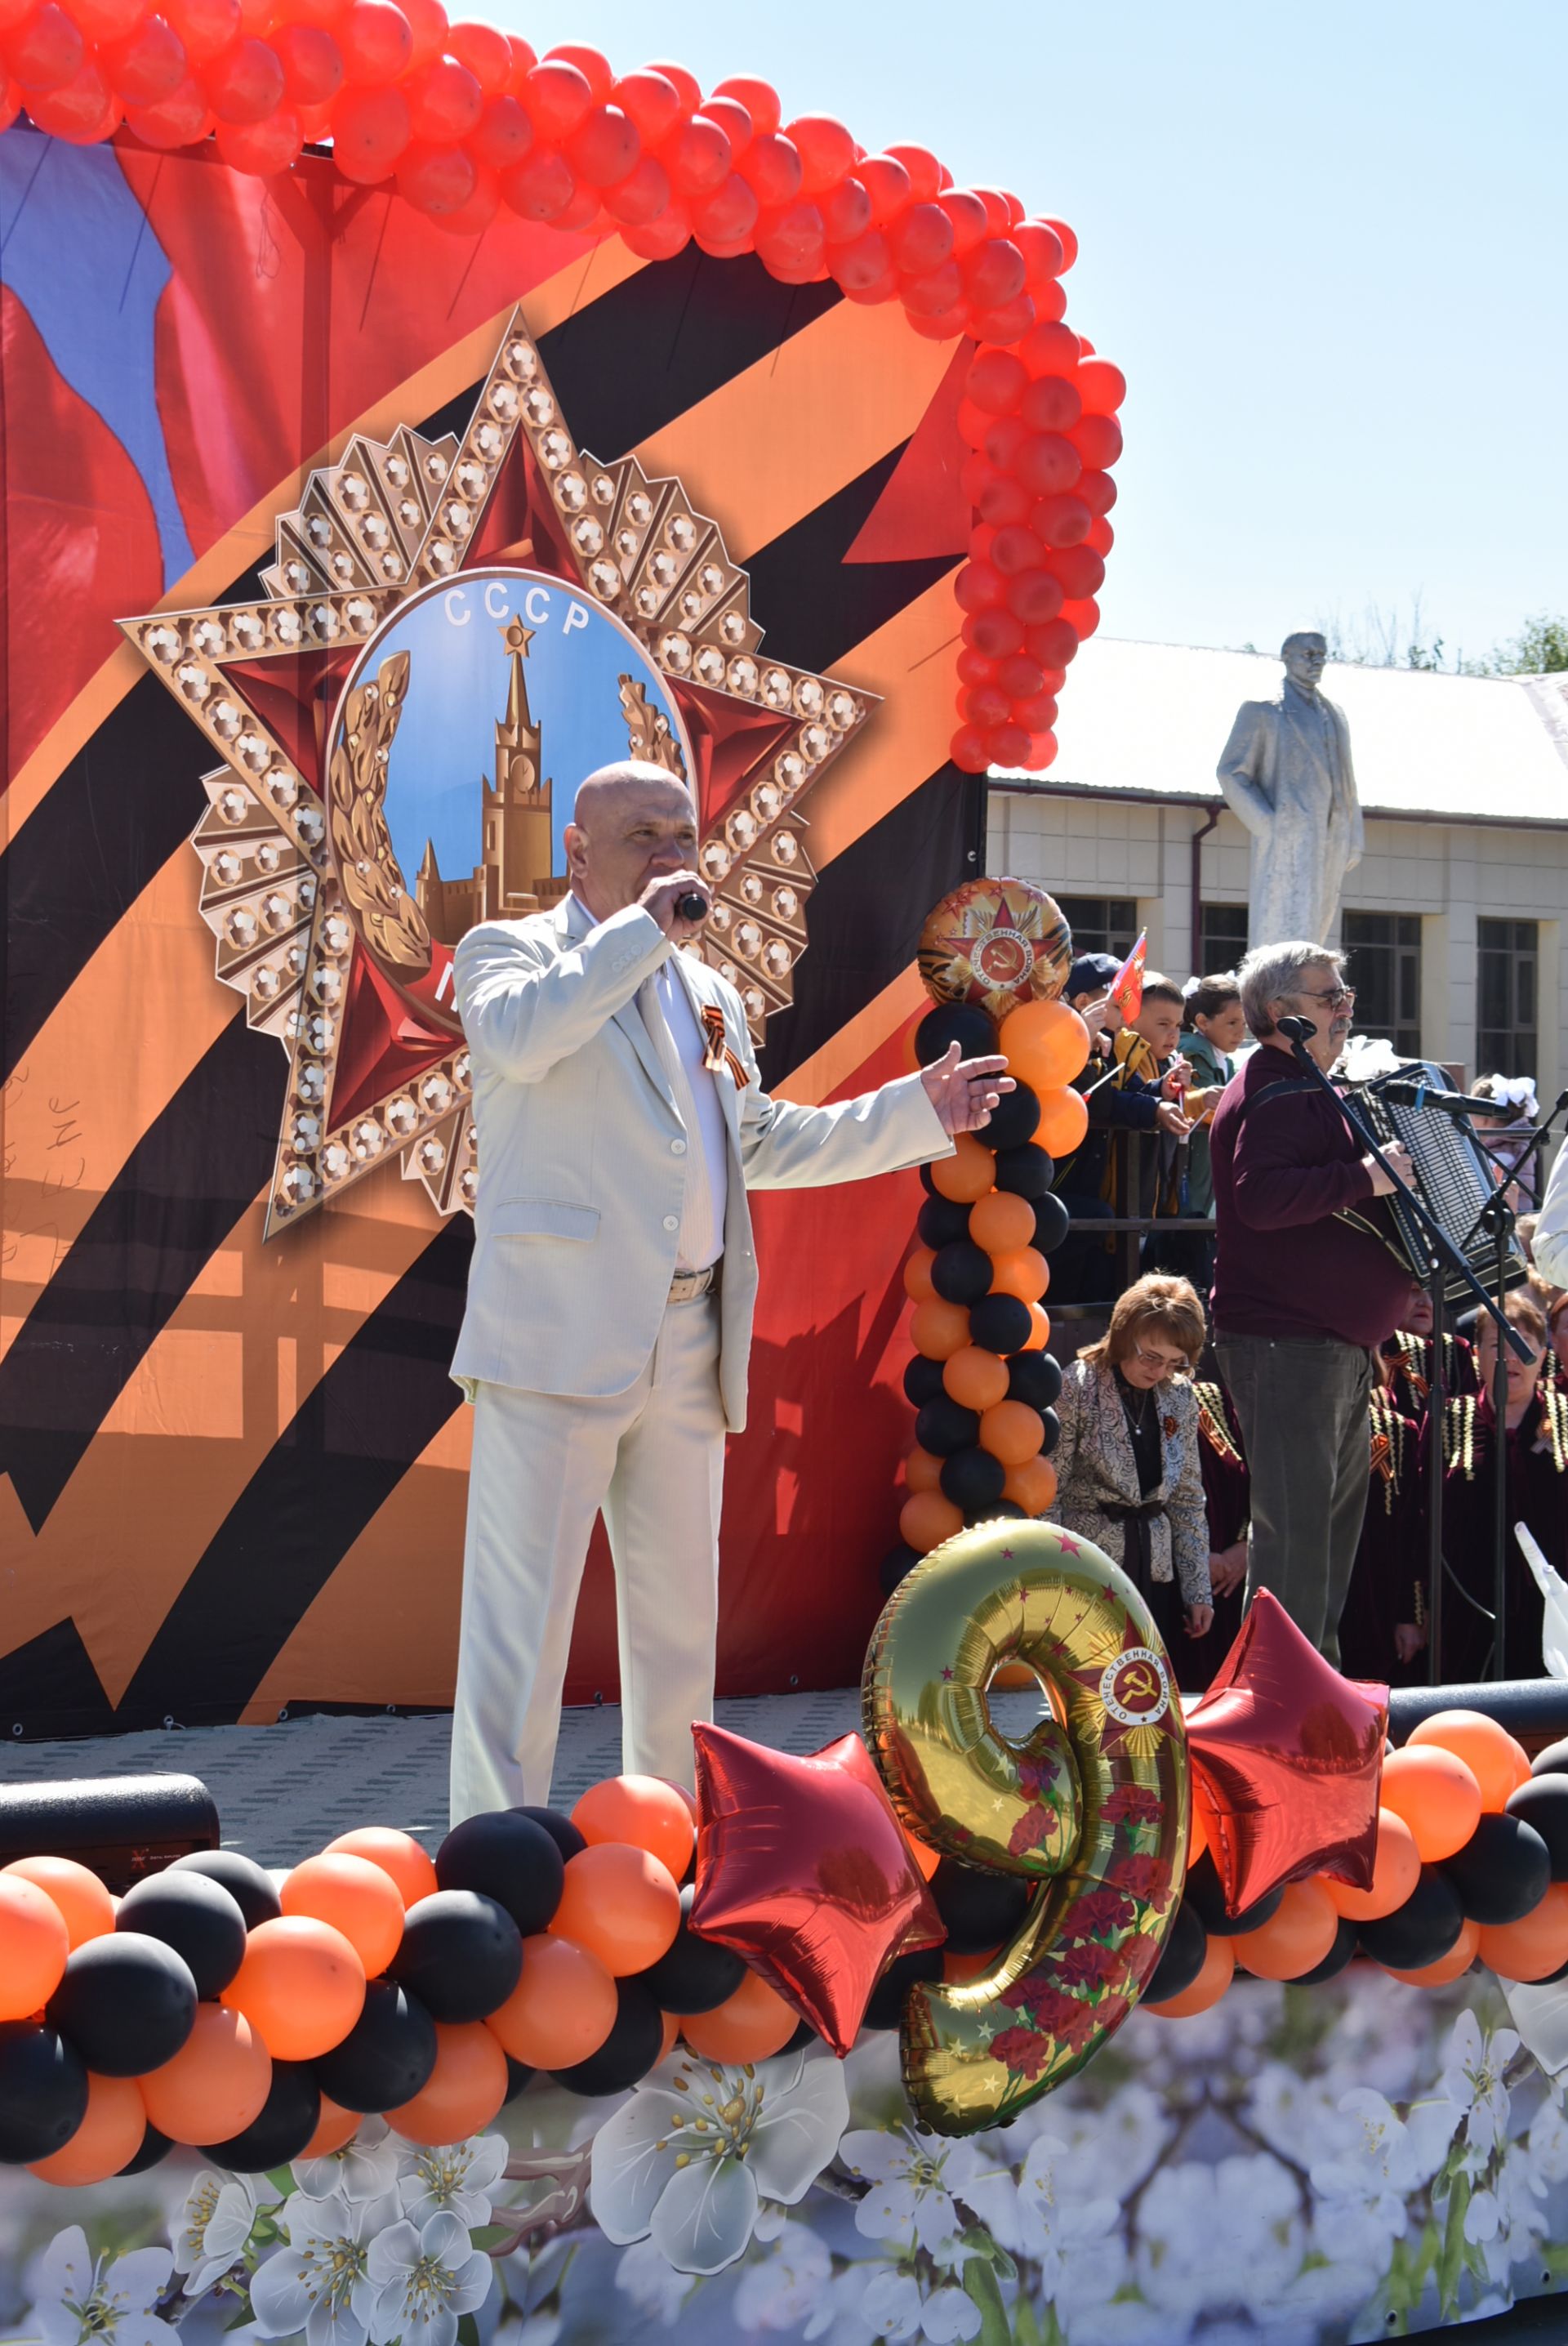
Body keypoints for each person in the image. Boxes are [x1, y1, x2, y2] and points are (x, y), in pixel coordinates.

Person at [448, 759, 1013, 1820]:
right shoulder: (512, 952)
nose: (672, 857)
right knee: (519, 1636)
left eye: (685, 839)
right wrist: (644, 932)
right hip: (556, 1340)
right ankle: (494, 1863)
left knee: (675, 1632)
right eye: (644, 838)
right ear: (575, 852)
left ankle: (668, 1847)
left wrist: (914, 1113)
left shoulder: (703, 992)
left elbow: (752, 1139)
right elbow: (518, 1042)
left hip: (690, 1337)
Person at [1208, 939, 1415, 1664]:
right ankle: (1282, 1726)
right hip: (1290, 1346)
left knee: (1319, 1555)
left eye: (1345, 996)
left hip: (1324, 1348)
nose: (1346, 1009)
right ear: (1279, 1014)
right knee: (1296, 1557)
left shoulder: (1297, 1083)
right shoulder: (1277, 1086)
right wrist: (1369, 1176)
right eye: (1330, 998)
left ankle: (1305, 1713)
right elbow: (1260, 1199)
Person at [1049, 1273, 1215, 1655]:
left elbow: (1188, 1499)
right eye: (1151, 1357)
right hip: (1088, 1570)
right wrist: (1055, 1585)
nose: (1160, 1372)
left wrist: (1197, 1591)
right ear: (1125, 1335)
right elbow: (1048, 1491)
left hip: (1156, 1573)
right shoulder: (1076, 1385)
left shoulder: (1180, 1395)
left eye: (1176, 1363)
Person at [1428, 1288, 1568, 1681]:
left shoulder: (1566, 1416)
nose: (1508, 1355)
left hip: (1555, 1606)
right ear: (1476, 1354)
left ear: (1543, 1354)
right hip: (1466, 1608)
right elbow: (1416, 1517)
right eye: (1495, 1343)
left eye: (1523, 1342)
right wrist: (1411, 1609)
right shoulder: (1448, 1419)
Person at [1051, 956, 1191, 1305]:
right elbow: (1099, 1100)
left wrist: (1159, 1092)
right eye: (1118, 1002)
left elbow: (1123, 1093)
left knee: (1096, 1291)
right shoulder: (1066, 1041)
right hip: (1064, 1182)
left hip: (1100, 1190)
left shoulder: (1112, 1043)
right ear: (1085, 1003)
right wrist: (1153, 1105)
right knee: (1065, 1294)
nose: (1127, 1012)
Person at [1337, 1367, 1426, 1684]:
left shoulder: (1399, 1432)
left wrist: (1409, 1616)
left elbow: (1412, 1529)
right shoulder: (1289, 1423)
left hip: (1376, 1598)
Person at [1187, 1371, 1250, 1689]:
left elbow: (1263, 1480)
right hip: (1170, 1588)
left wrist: (1245, 1547)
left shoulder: (1216, 1399)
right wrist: (1194, 1558)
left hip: (1231, 1587)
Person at [1379, 1282, 1478, 1422]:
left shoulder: (1453, 1350)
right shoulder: (1371, 1349)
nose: (1426, 1303)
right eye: (1414, 1290)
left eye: (1432, 1294)